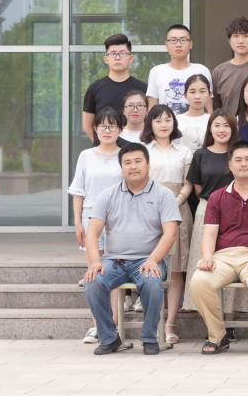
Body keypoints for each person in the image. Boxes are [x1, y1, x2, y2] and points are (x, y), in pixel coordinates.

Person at [82, 143, 180, 355]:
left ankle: (149, 338)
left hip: (148, 260)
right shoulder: (107, 195)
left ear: (148, 164)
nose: (133, 166)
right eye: (127, 162)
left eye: (138, 161)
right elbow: (92, 232)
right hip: (114, 261)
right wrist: (96, 262)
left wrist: (153, 260)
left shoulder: (164, 195)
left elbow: (170, 233)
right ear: (121, 167)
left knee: (151, 282)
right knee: (92, 282)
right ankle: (109, 337)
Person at [189, 140, 248, 355]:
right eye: (238, 160)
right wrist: (207, 256)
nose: (243, 164)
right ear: (229, 165)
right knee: (199, 281)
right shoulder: (217, 197)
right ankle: (217, 336)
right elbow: (209, 234)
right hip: (223, 257)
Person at [69, 107, 129, 344]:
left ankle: (112, 324)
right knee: (95, 272)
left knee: (113, 272)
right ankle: (97, 325)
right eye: (102, 126)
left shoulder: (125, 155)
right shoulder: (86, 156)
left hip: (118, 218)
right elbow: (78, 191)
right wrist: (77, 223)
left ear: (120, 129)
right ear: (95, 129)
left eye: (112, 126)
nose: (107, 130)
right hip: (90, 216)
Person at [140, 104, 193, 345]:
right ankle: (151, 323)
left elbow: (188, 183)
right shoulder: (143, 150)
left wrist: (177, 200)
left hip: (178, 208)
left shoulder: (184, 151)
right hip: (147, 210)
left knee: (175, 270)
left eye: (168, 119)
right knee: (149, 267)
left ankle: (170, 323)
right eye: (158, 120)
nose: (164, 124)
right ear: (150, 124)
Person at [183, 111, 238, 313]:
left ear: (233, 129)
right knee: (204, 259)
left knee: (232, 260)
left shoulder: (238, 153)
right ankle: (206, 311)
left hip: (236, 210)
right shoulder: (200, 155)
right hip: (206, 209)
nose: (222, 130)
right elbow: (197, 188)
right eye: (217, 125)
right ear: (210, 128)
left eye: (226, 125)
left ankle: (230, 312)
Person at [82, 33, 146, 141]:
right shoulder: (95, 88)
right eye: (113, 53)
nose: (117, 57)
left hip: (136, 148)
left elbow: (150, 121)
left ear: (131, 58)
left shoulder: (143, 88)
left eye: (122, 53)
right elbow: (87, 126)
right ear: (106, 59)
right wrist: (101, 146)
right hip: (105, 148)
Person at [146, 24, 212, 115]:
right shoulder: (156, 71)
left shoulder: (202, 70)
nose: (178, 44)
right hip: (166, 122)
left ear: (191, 44)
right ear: (166, 45)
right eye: (173, 40)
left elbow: (209, 108)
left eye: (183, 40)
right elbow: (152, 107)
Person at [176, 74, 211, 153]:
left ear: (209, 94)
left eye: (202, 91)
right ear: (185, 95)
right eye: (192, 92)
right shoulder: (176, 120)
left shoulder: (213, 121)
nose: (197, 96)